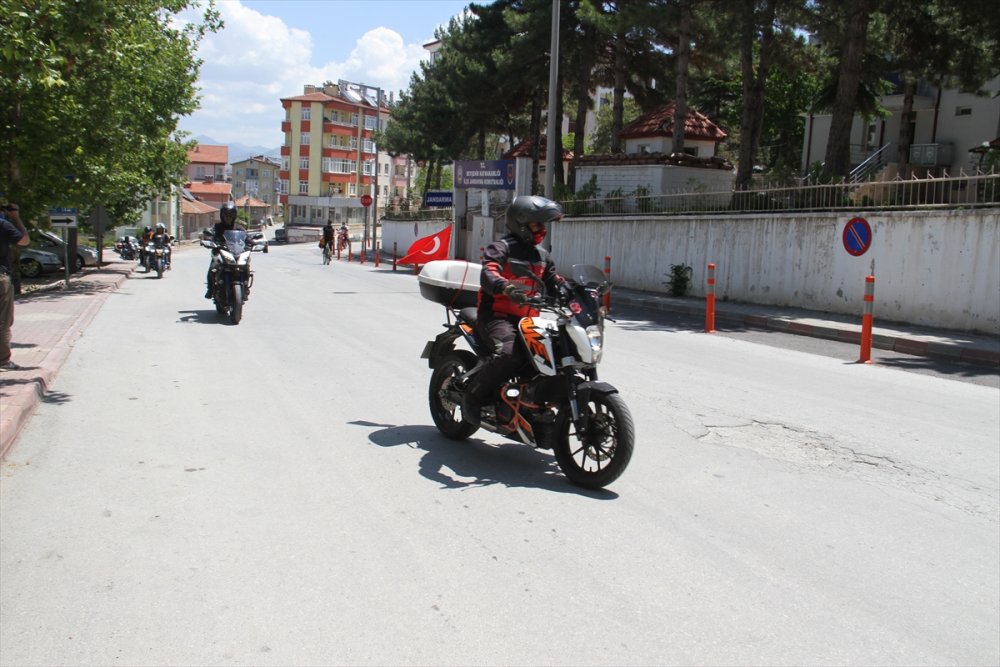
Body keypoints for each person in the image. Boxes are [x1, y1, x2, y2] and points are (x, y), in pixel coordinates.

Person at [462, 195, 566, 427]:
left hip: (529, 322)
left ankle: (532, 403)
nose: (542, 229)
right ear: (521, 222)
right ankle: (474, 395)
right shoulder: (501, 248)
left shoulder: (542, 256)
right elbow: (489, 272)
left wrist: (579, 292)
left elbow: (554, 281)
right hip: (497, 317)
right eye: (537, 224)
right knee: (510, 354)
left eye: (543, 224)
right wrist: (505, 287)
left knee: (554, 356)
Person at [1, 202, 30, 371]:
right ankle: (3, 361)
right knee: (3, 320)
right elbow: (24, 240)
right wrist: (16, 218)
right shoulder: (3, 225)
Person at [205, 202, 244, 298]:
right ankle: (210, 289)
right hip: (220, 252)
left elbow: (246, 237)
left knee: (246, 266)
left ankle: (244, 286)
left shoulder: (239, 227)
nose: (228, 218)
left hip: (236, 253)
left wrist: (252, 242)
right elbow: (210, 234)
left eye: (231, 216)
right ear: (222, 216)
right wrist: (209, 239)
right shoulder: (217, 227)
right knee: (212, 268)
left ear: (234, 216)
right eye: (226, 216)